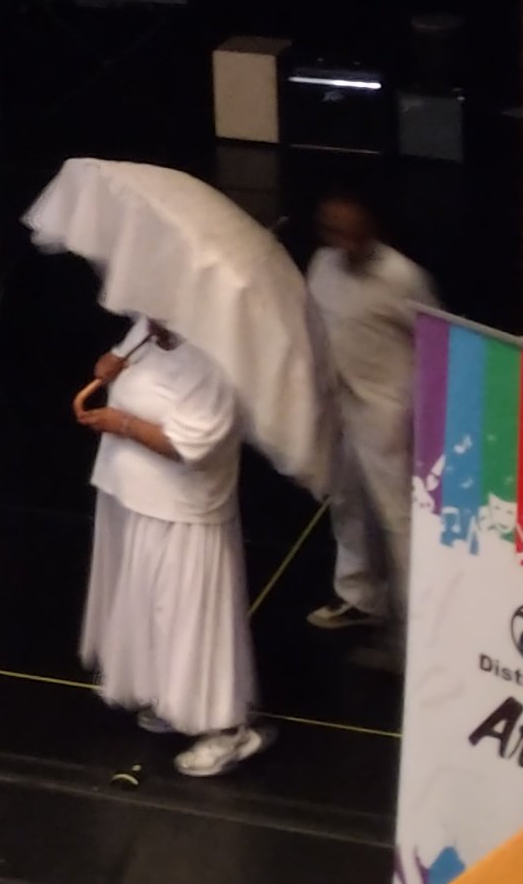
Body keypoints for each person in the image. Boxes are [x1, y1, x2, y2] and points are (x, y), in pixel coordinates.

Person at [78, 315, 263, 777]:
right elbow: (118, 363)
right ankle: (171, 697)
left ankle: (227, 727)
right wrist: (109, 366)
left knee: (188, 614)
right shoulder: (148, 327)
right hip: (132, 495)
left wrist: (122, 422)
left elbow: (190, 444)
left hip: (184, 509)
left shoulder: (218, 357)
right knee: (148, 605)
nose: (152, 319)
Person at [305, 190, 435, 632]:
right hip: (338, 403)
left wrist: (419, 409)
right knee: (346, 502)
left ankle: (418, 614)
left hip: (388, 412)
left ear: (369, 229)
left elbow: (432, 339)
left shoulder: (402, 277)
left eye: (350, 233)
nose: (342, 243)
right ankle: (359, 595)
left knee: (397, 515)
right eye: (333, 232)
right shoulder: (322, 264)